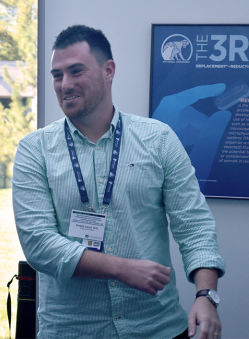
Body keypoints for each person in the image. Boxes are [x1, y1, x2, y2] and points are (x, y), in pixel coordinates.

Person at [12, 25, 225, 339]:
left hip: (157, 328)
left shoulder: (159, 139)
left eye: (75, 71)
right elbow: (39, 244)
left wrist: (207, 297)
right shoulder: (34, 150)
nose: (64, 85)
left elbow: (194, 225)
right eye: (57, 75)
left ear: (108, 70)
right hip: (71, 330)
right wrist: (121, 268)